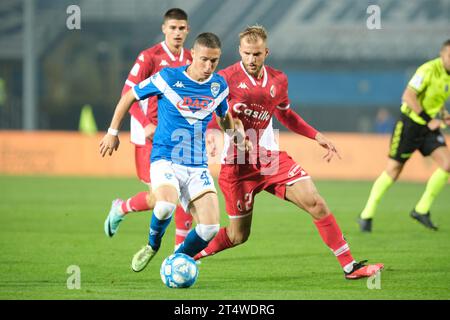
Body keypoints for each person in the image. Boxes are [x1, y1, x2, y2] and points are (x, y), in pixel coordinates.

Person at [194, 25, 384, 279]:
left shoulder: (278, 81)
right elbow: (218, 117)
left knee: (316, 202)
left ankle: (350, 266)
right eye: (247, 53)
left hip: (269, 159)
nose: (251, 59)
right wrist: (231, 134)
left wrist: (316, 135)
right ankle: (187, 255)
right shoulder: (225, 79)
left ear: (266, 52)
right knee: (238, 236)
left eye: (257, 54)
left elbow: (286, 115)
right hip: (237, 165)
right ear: (240, 51)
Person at [100, 32, 248, 272]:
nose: (209, 66)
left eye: (214, 61)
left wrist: (236, 137)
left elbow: (224, 116)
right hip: (165, 159)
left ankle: (176, 259)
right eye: (204, 60)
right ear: (193, 55)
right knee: (165, 205)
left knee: (210, 229)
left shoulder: (218, 85)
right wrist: (112, 132)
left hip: (197, 165)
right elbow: (130, 96)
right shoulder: (168, 77)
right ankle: (152, 246)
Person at [103, 8, 193, 249]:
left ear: (188, 30)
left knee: (185, 193)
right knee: (159, 200)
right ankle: (121, 208)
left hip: (177, 136)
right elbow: (127, 95)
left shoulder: (192, 59)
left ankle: (180, 254)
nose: (177, 32)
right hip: (149, 136)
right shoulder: (149, 57)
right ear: (164, 29)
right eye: (172, 28)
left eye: (181, 28)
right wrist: (144, 125)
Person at [359, 39, 450, 232]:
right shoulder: (427, 70)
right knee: (393, 170)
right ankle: (366, 214)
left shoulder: (447, 75)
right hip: (409, 125)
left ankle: (421, 209)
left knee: (447, 164)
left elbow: (436, 96)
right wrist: (428, 118)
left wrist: (442, 114)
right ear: (442, 54)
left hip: (427, 128)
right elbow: (408, 96)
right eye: (449, 56)